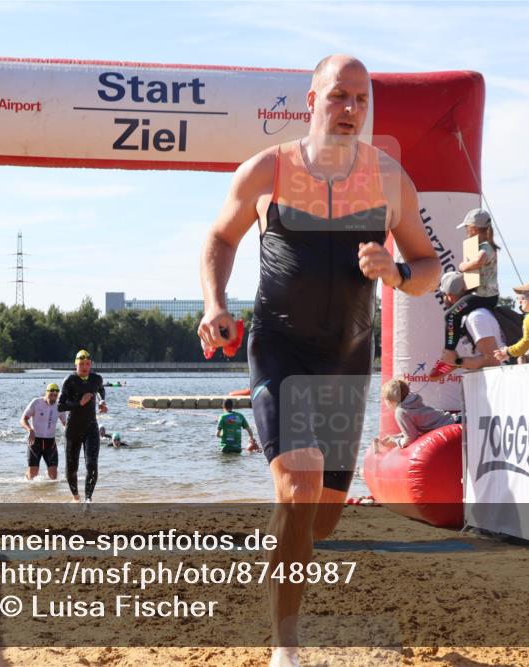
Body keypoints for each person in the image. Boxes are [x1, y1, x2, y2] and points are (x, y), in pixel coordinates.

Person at [197, 54, 438, 667]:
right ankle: (286, 649)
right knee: (300, 491)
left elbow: (428, 267)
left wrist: (399, 272)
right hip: (280, 351)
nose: (350, 109)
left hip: (348, 361)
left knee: (321, 522)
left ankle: (283, 557)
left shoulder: (389, 180)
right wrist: (214, 304)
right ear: (311, 101)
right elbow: (221, 239)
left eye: (361, 99)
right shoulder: (269, 171)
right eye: (338, 97)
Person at [433, 208, 501, 371]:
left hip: (483, 296)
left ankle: (449, 354)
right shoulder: (485, 245)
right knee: (457, 315)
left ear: (474, 228)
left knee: (451, 315)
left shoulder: (486, 247)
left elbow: (480, 260)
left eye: (467, 228)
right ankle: (454, 355)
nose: (466, 232)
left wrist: (463, 266)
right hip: (486, 294)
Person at [57, 349, 107, 503]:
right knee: (72, 468)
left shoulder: (96, 378)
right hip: (73, 430)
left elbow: (100, 390)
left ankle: (88, 499)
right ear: (76, 365)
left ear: (90, 364)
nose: (84, 367)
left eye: (87, 364)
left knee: (92, 464)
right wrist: (79, 403)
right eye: (81, 364)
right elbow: (60, 406)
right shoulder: (70, 380)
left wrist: (102, 401)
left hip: (91, 427)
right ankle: (76, 497)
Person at [432, 271, 504, 376]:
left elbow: (492, 360)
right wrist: (452, 363)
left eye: (443, 295)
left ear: (450, 297)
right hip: (486, 383)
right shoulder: (467, 317)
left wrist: (456, 362)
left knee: (450, 316)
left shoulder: (476, 317)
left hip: (497, 383)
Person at [375, 379, 460, 448]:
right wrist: (396, 437)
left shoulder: (400, 411)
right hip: (456, 420)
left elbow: (411, 438)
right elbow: (417, 428)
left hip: (452, 427)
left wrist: (395, 442)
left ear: (389, 401)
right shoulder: (412, 402)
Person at [20, 382, 67, 480]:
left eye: (56, 394)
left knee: (54, 477)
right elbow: (23, 419)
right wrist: (30, 430)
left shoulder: (60, 406)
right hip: (35, 441)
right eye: (51, 393)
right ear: (46, 393)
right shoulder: (36, 402)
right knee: (33, 476)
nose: (53, 396)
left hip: (50, 442)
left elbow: (65, 423)